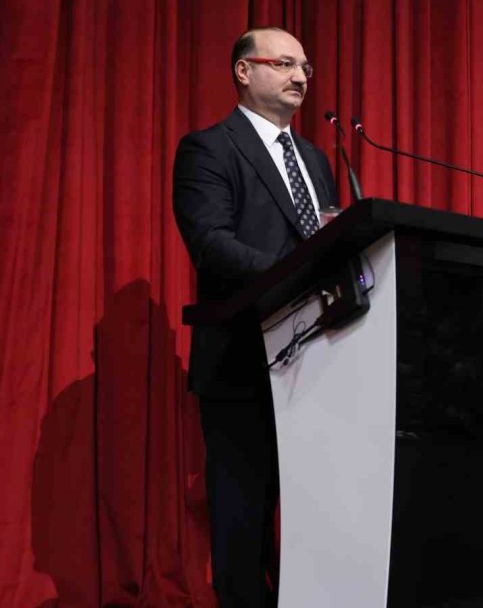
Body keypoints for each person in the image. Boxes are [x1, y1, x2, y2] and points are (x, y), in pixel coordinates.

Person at [172, 27, 338, 608]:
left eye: (305, 67)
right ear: (244, 71)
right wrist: (293, 277)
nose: (300, 77)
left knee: (314, 515)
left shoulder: (315, 158)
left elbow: (329, 239)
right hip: (242, 359)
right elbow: (211, 243)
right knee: (242, 520)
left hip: (319, 359)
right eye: (284, 63)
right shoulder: (209, 149)